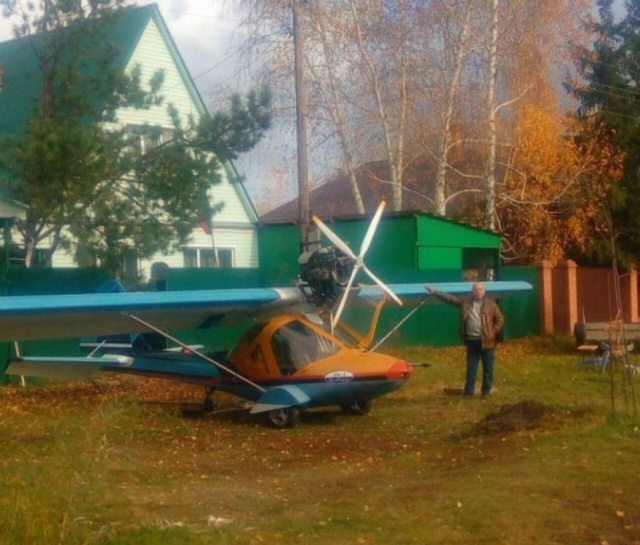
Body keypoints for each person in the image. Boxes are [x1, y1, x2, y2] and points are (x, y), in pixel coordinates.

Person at [427, 282, 504, 398]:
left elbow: (500, 319)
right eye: (476, 289)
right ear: (472, 291)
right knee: (471, 368)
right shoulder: (466, 303)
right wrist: (435, 292)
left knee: (488, 369)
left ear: (484, 291)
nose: (478, 292)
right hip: (471, 341)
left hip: (487, 342)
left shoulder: (491, 305)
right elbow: (450, 299)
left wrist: (491, 332)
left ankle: (486, 392)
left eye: (480, 289)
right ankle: (469, 392)